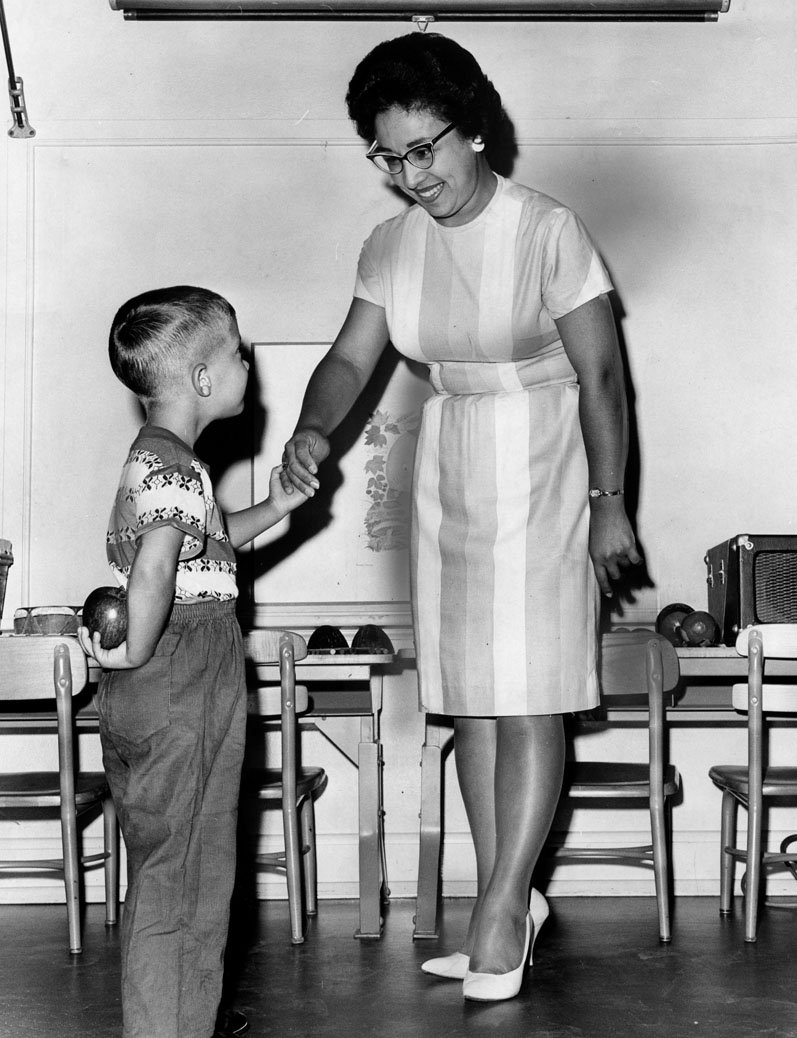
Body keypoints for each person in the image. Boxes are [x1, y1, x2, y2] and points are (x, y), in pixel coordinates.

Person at [281, 33, 641, 1003]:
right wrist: (314, 428)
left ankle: (493, 916)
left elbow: (602, 374)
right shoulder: (390, 245)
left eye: (425, 148)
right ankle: (506, 899)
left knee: (527, 691)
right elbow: (351, 360)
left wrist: (610, 504)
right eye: (388, 157)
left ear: (472, 129)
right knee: (472, 697)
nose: (410, 175)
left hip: (546, 453)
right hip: (451, 462)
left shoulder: (545, 229)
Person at [78, 286, 310, 1038]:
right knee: (182, 874)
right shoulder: (175, 470)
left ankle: (186, 1020)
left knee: (195, 866)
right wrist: (137, 649)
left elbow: (199, 549)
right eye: (239, 351)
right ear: (205, 379)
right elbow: (153, 572)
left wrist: (274, 507)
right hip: (181, 665)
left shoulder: (169, 463)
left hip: (182, 664)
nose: (250, 363)